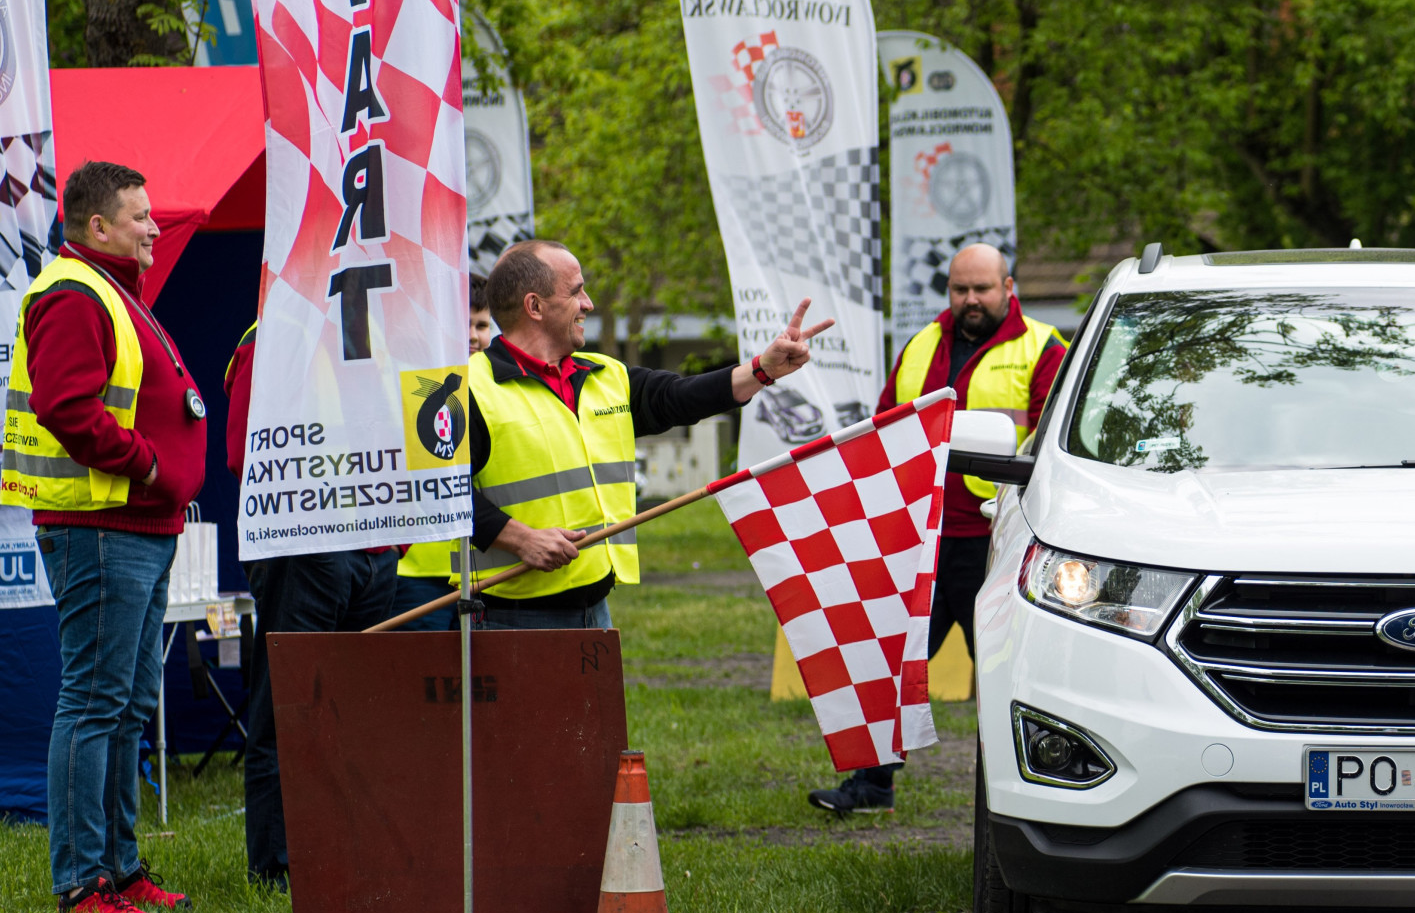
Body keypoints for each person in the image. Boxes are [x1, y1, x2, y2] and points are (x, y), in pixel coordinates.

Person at [1, 162, 202, 913]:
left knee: (120, 707)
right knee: (92, 703)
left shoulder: (111, 293)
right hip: (101, 524)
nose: (154, 226)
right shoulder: (72, 294)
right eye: (141, 216)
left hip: (138, 525)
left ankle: (120, 868)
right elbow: (64, 407)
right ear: (97, 227)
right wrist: (151, 465)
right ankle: (83, 885)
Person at [807, 243, 1066, 815]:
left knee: (1007, 679)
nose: (970, 300)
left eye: (982, 289)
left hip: (1001, 545)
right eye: (959, 290)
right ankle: (872, 785)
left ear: (1009, 288)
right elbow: (884, 431)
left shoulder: (1044, 349)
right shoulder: (921, 346)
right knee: (893, 664)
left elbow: (1054, 447)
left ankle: (1032, 793)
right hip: (920, 540)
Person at [463, 239, 828, 628]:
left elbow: (679, 397)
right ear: (534, 306)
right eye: (576, 292)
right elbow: (439, 492)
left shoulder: (605, 375)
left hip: (595, 608)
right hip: (507, 616)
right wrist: (519, 538)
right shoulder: (468, 389)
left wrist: (762, 369)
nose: (588, 303)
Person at [220, 325, 403, 891]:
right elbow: (245, 453)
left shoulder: (389, 330)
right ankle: (277, 868)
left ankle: (345, 851)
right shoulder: (272, 335)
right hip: (306, 549)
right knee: (287, 711)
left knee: (355, 715)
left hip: (375, 549)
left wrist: (397, 537)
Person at [387, 276, 495, 632]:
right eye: (463, 323)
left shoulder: (499, 388)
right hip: (417, 573)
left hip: (483, 570)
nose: (472, 335)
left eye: (481, 325)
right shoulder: (408, 381)